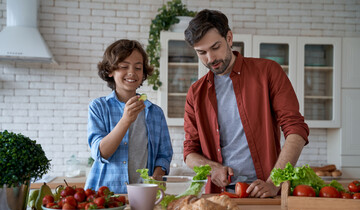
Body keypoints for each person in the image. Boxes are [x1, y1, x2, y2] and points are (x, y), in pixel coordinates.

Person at [183, 9, 309, 197]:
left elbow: (296, 130)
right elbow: (189, 152)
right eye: (202, 52)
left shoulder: (268, 71)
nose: (210, 59)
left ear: (229, 38)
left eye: (215, 47)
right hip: (220, 195)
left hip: (267, 193)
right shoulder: (196, 93)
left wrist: (275, 181)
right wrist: (213, 168)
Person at [85, 39, 173, 194]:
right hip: (104, 195)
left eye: (138, 67)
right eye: (124, 66)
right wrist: (126, 120)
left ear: (143, 73)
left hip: (144, 194)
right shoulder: (98, 107)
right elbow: (101, 153)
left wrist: (158, 175)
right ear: (110, 71)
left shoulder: (155, 112)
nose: (132, 72)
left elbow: (164, 155)